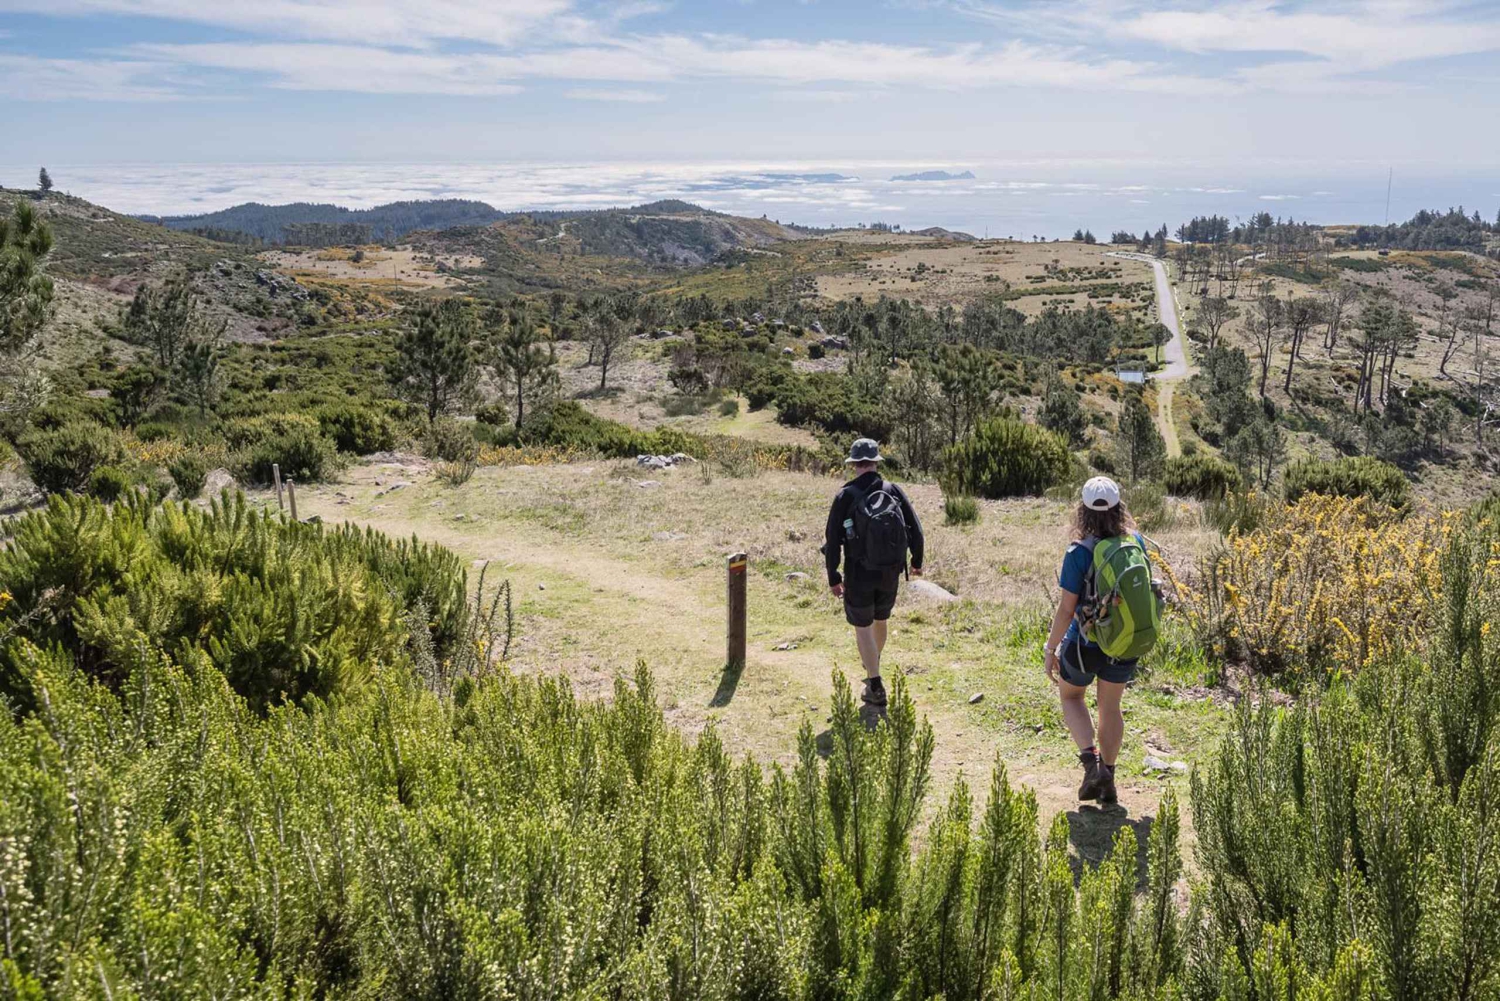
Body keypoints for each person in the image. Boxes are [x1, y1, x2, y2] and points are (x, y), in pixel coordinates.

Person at [1042, 476, 1147, 805]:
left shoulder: (1078, 551)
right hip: (1126, 642)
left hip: (1085, 644)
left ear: (1082, 511)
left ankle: (1092, 765)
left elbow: (1066, 609)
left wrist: (1051, 648)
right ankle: (1109, 777)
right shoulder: (1137, 543)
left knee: (1071, 696)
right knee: (1110, 707)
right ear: (1119, 508)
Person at [824, 438, 924, 707]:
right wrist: (917, 561)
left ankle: (875, 685)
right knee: (881, 619)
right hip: (891, 571)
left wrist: (833, 575)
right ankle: (873, 666)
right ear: (877, 462)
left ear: (854, 464)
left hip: (859, 572)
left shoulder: (845, 495)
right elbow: (915, 527)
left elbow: (832, 539)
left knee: (862, 627)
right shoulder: (893, 490)